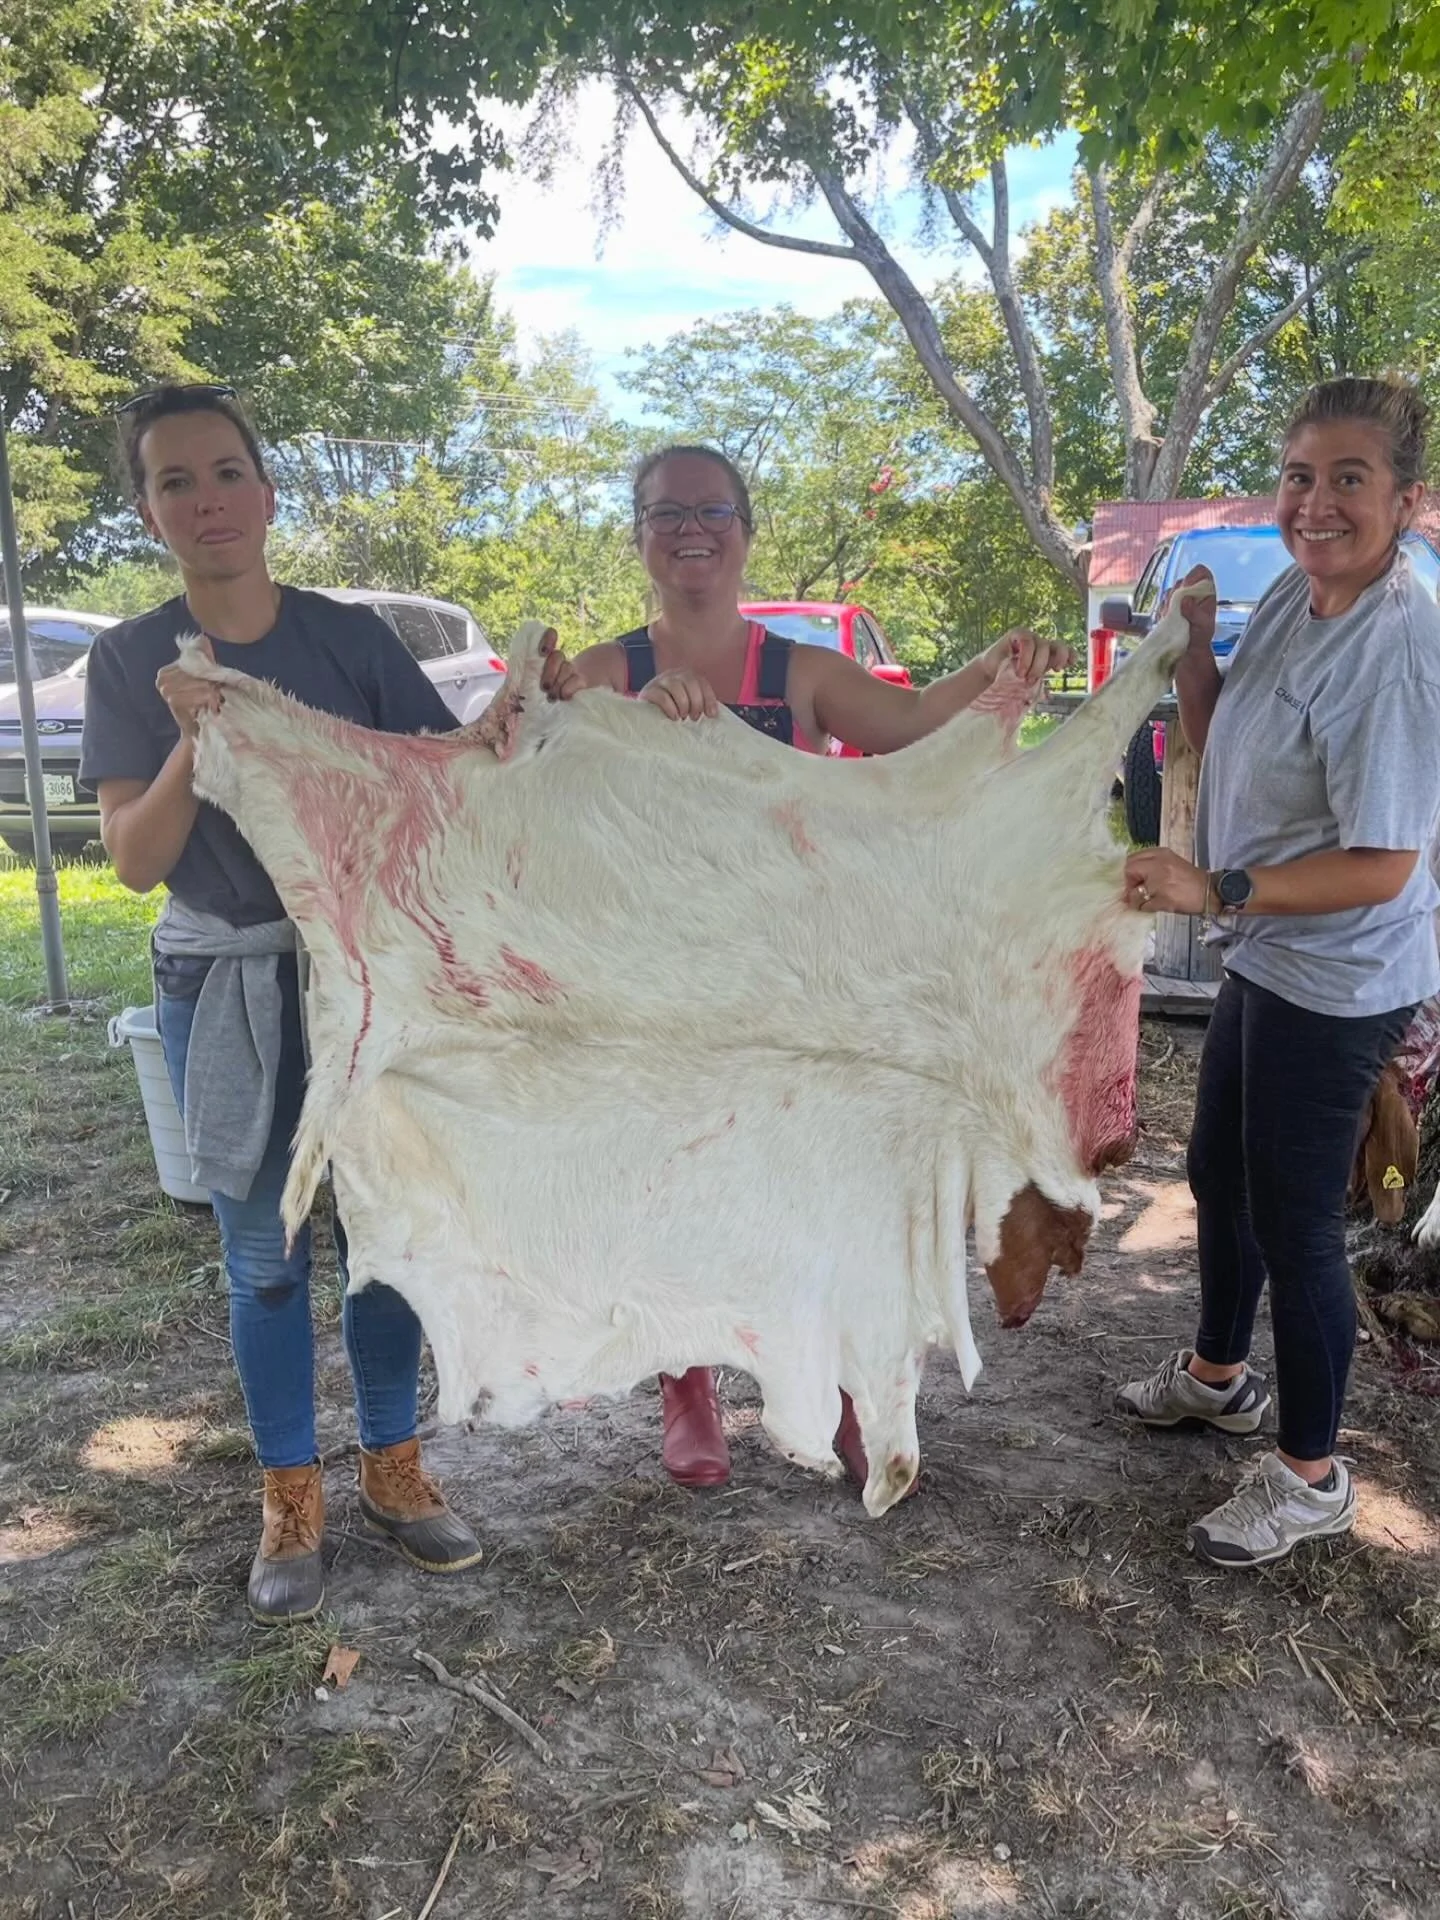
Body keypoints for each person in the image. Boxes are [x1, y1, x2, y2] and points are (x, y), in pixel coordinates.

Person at [545, 442, 1070, 1491]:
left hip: (797, 979)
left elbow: (917, 732)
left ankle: (826, 1384)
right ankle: (687, 1385)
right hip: (664, 983)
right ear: (637, 534)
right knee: (680, 1183)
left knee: (808, 1191)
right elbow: (533, 782)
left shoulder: (801, 673)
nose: (690, 529)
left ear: (746, 527)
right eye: (665, 512)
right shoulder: (609, 673)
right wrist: (575, 713)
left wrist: (993, 670)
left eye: (711, 510)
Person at [81, 383, 484, 1622]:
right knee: (263, 1258)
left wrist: (522, 719)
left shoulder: (348, 642)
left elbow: (438, 789)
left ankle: (395, 1475)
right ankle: (289, 1498)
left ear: (267, 488)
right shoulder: (126, 658)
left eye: (226, 473)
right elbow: (137, 861)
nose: (207, 501)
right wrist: (195, 743)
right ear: (146, 510)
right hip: (227, 981)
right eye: (174, 482)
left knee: (384, 1246)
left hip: (365, 984)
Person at [1117, 376, 1440, 1568]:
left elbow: (1385, 865)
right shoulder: (1305, 604)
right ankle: (1219, 1375)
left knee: (1299, 1222)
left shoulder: (1397, 647)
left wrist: (1217, 891)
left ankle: (1312, 1476)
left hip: (1340, 969)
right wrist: (1197, 647)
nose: (1315, 502)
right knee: (1218, 1167)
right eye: (1300, 476)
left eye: (1349, 479)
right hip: (1270, 952)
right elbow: (1219, 727)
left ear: (1406, 501)